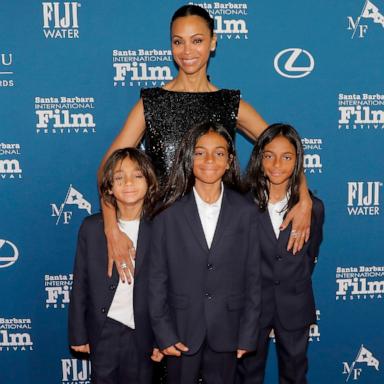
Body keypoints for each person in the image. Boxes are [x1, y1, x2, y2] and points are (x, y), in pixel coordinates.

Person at [98, 4, 312, 283]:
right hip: (164, 237)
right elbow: (106, 171)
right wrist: (111, 228)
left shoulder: (229, 103)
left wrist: (304, 197)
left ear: (212, 43)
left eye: (197, 40)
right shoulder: (150, 104)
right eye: (179, 42)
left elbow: (283, 152)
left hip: (220, 243)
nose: (187, 51)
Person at [148, 122, 261, 384]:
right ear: (189, 158)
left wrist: (247, 334)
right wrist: (164, 334)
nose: (209, 160)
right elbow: (156, 281)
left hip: (228, 331)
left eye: (219, 153)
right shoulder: (168, 215)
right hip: (181, 331)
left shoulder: (247, 212)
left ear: (229, 160)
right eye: (200, 152)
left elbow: (253, 280)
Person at [238, 124, 324, 384]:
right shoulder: (241, 204)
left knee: (295, 374)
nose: (277, 164)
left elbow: (310, 256)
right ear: (259, 158)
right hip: (252, 308)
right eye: (269, 155)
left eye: (287, 157)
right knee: (248, 375)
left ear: (298, 161)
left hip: (294, 305)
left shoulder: (313, 208)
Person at [68, 148, 162, 384]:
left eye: (137, 175)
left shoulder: (162, 227)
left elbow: (170, 289)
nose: (128, 182)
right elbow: (80, 284)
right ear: (108, 187)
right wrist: (78, 333)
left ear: (150, 182)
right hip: (104, 328)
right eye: (119, 177)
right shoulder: (91, 228)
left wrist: (163, 339)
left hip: (144, 330)